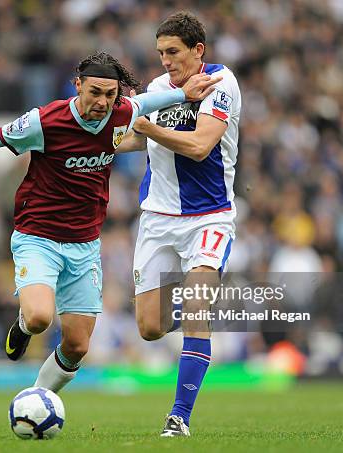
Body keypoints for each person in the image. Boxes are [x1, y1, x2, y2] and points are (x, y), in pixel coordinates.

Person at [0, 52, 221, 394]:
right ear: (78, 86)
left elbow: (154, 100)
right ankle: (22, 324)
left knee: (77, 346)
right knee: (39, 318)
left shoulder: (123, 112)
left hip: (85, 244)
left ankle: (37, 400)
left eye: (110, 94)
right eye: (95, 92)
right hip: (38, 237)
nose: (103, 102)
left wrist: (185, 92)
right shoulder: (45, 122)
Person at [117, 12, 242, 437]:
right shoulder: (157, 89)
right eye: (160, 53)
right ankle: (194, 328)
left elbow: (200, 145)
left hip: (209, 217)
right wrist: (104, 136)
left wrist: (149, 124)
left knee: (194, 310)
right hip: (157, 218)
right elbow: (135, 138)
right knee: (150, 328)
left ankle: (179, 418)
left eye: (173, 52)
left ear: (197, 50)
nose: (166, 60)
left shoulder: (221, 84)